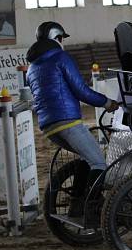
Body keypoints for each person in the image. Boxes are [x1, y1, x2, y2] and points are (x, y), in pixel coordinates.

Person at [26, 21, 119, 216]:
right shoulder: (61, 57)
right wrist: (107, 103)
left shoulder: (33, 66)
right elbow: (81, 91)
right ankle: (90, 207)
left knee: (87, 158)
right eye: (61, 39)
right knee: (99, 163)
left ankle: (77, 203)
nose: (63, 43)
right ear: (56, 38)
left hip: (49, 127)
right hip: (68, 121)